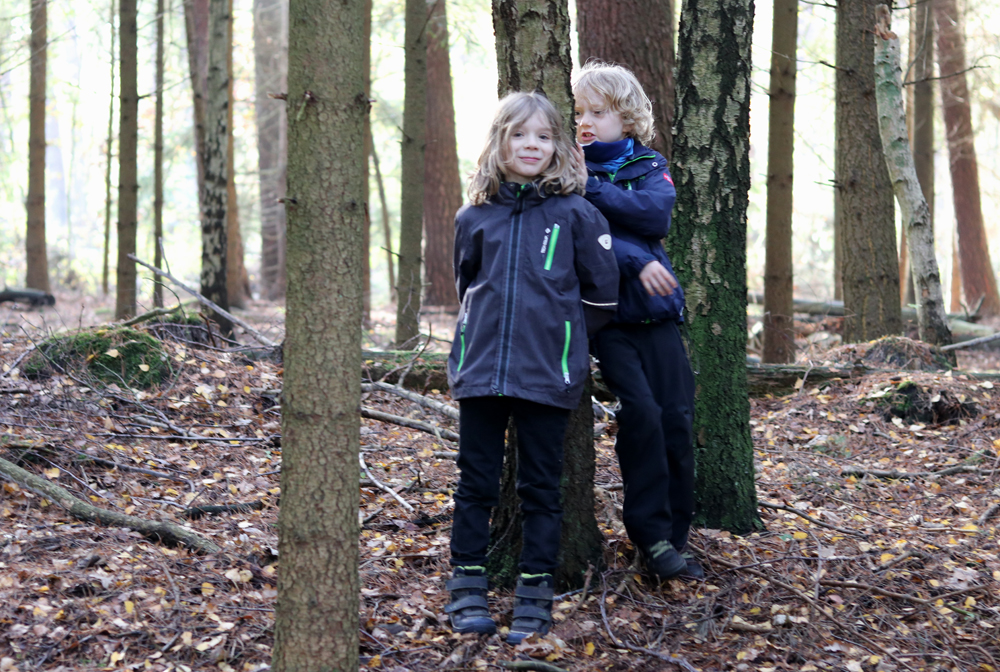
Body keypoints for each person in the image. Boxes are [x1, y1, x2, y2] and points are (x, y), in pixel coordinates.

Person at [445, 91, 619, 642]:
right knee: (476, 484)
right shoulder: (474, 215)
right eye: (520, 135)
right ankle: (467, 586)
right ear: (499, 142)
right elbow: (466, 282)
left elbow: (601, 297)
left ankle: (534, 593)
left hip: (548, 375)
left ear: (558, 148)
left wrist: (561, 340)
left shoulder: (576, 213)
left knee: (541, 489)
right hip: (482, 373)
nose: (531, 145)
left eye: (544, 136)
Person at [571, 61, 703, 581]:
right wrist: (635, 259)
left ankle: (676, 535)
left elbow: (655, 215)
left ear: (625, 118)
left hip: (660, 315)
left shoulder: (649, 164)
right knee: (643, 415)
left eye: (597, 112)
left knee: (677, 418)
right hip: (612, 320)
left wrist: (595, 190)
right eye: (579, 111)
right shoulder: (565, 170)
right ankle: (649, 535)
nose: (585, 121)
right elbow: (588, 236)